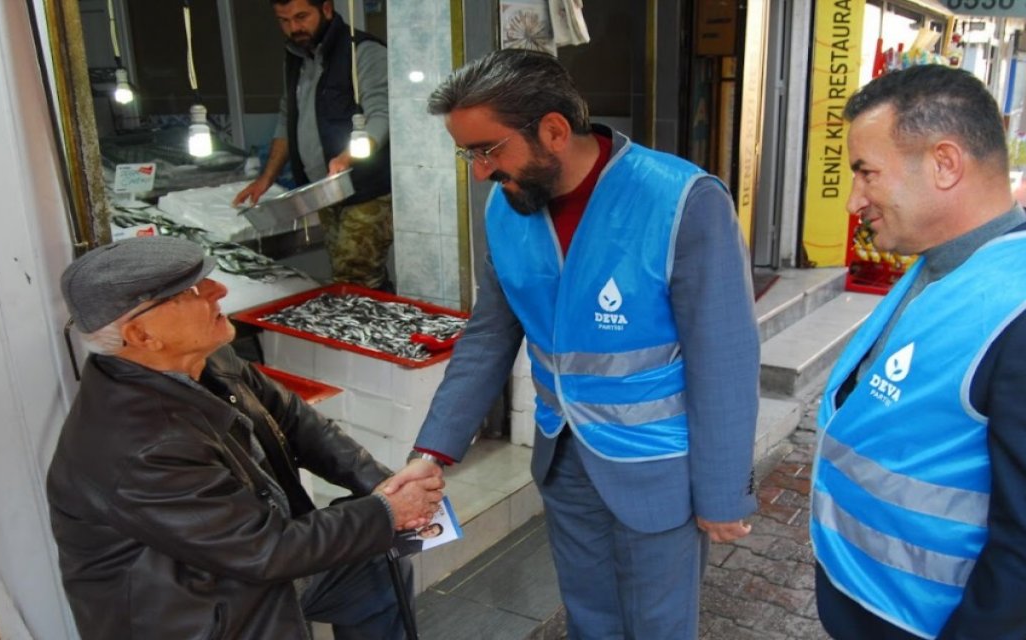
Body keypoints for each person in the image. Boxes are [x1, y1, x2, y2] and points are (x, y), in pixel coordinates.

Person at [382, 49, 760, 639]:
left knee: (660, 626)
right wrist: (431, 453)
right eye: (468, 153)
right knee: (590, 620)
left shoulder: (681, 199)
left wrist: (724, 492)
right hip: (563, 459)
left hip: (658, 464)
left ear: (554, 130)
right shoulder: (506, 209)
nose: (479, 171)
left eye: (488, 149)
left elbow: (725, 358)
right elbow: (490, 335)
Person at [814, 64, 1026, 640]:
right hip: (867, 603)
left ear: (944, 163)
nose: (854, 199)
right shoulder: (938, 262)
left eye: (866, 173)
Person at [46, 236, 442, 639]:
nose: (220, 291)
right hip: (200, 611)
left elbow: (294, 419)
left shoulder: (207, 358)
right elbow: (264, 550)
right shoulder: (141, 447)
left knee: (374, 568)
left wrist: (382, 483)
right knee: (366, 539)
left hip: (250, 562)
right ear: (142, 335)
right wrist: (386, 511)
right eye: (192, 291)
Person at [233, 0, 394, 291]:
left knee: (354, 273)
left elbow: (382, 116)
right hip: (327, 190)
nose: (294, 28)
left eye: (301, 17)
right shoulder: (296, 56)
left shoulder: (364, 51)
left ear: (327, 9)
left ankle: (365, 331)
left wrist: (348, 156)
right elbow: (287, 118)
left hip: (369, 187)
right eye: (284, 20)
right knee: (347, 273)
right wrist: (266, 178)